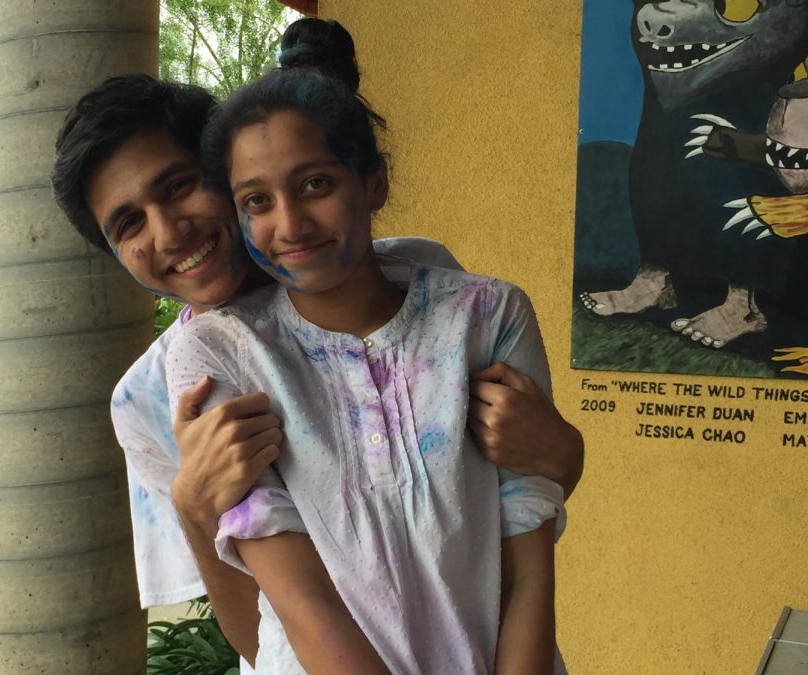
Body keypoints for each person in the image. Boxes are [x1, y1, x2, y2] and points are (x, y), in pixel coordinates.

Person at [51, 18, 583, 671]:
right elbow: (255, 632)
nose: (168, 231)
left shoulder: (444, 295)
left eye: (178, 186)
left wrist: (564, 450)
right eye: (128, 224)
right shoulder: (156, 396)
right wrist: (196, 508)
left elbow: (500, 503)